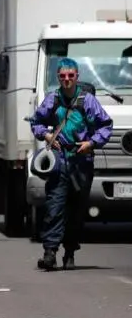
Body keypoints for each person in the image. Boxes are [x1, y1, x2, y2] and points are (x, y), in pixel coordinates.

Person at [30, 58, 112, 270]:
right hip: (60, 161)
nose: (67, 80)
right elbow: (36, 122)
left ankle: (70, 251)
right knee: (54, 207)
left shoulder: (88, 101)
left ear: (77, 77)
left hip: (82, 161)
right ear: (58, 77)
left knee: (76, 210)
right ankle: (50, 252)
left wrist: (91, 143)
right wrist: (47, 136)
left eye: (71, 76)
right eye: (63, 76)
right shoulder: (52, 99)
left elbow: (105, 125)